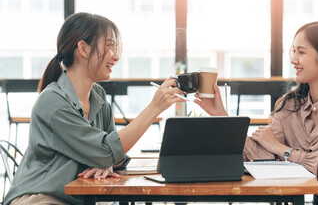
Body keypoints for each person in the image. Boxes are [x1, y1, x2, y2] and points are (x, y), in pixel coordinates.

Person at [4, 12, 184, 205]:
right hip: (41, 197)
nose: (115, 57)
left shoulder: (97, 96)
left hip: (77, 198)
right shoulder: (52, 102)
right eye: (108, 46)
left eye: (115, 48)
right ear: (83, 48)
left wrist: (107, 164)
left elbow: (113, 155)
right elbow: (109, 150)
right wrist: (154, 107)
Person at [195, 21, 318, 205]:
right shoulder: (289, 105)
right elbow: (258, 156)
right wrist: (220, 115)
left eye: (302, 52)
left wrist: (283, 150)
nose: (293, 59)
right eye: (293, 51)